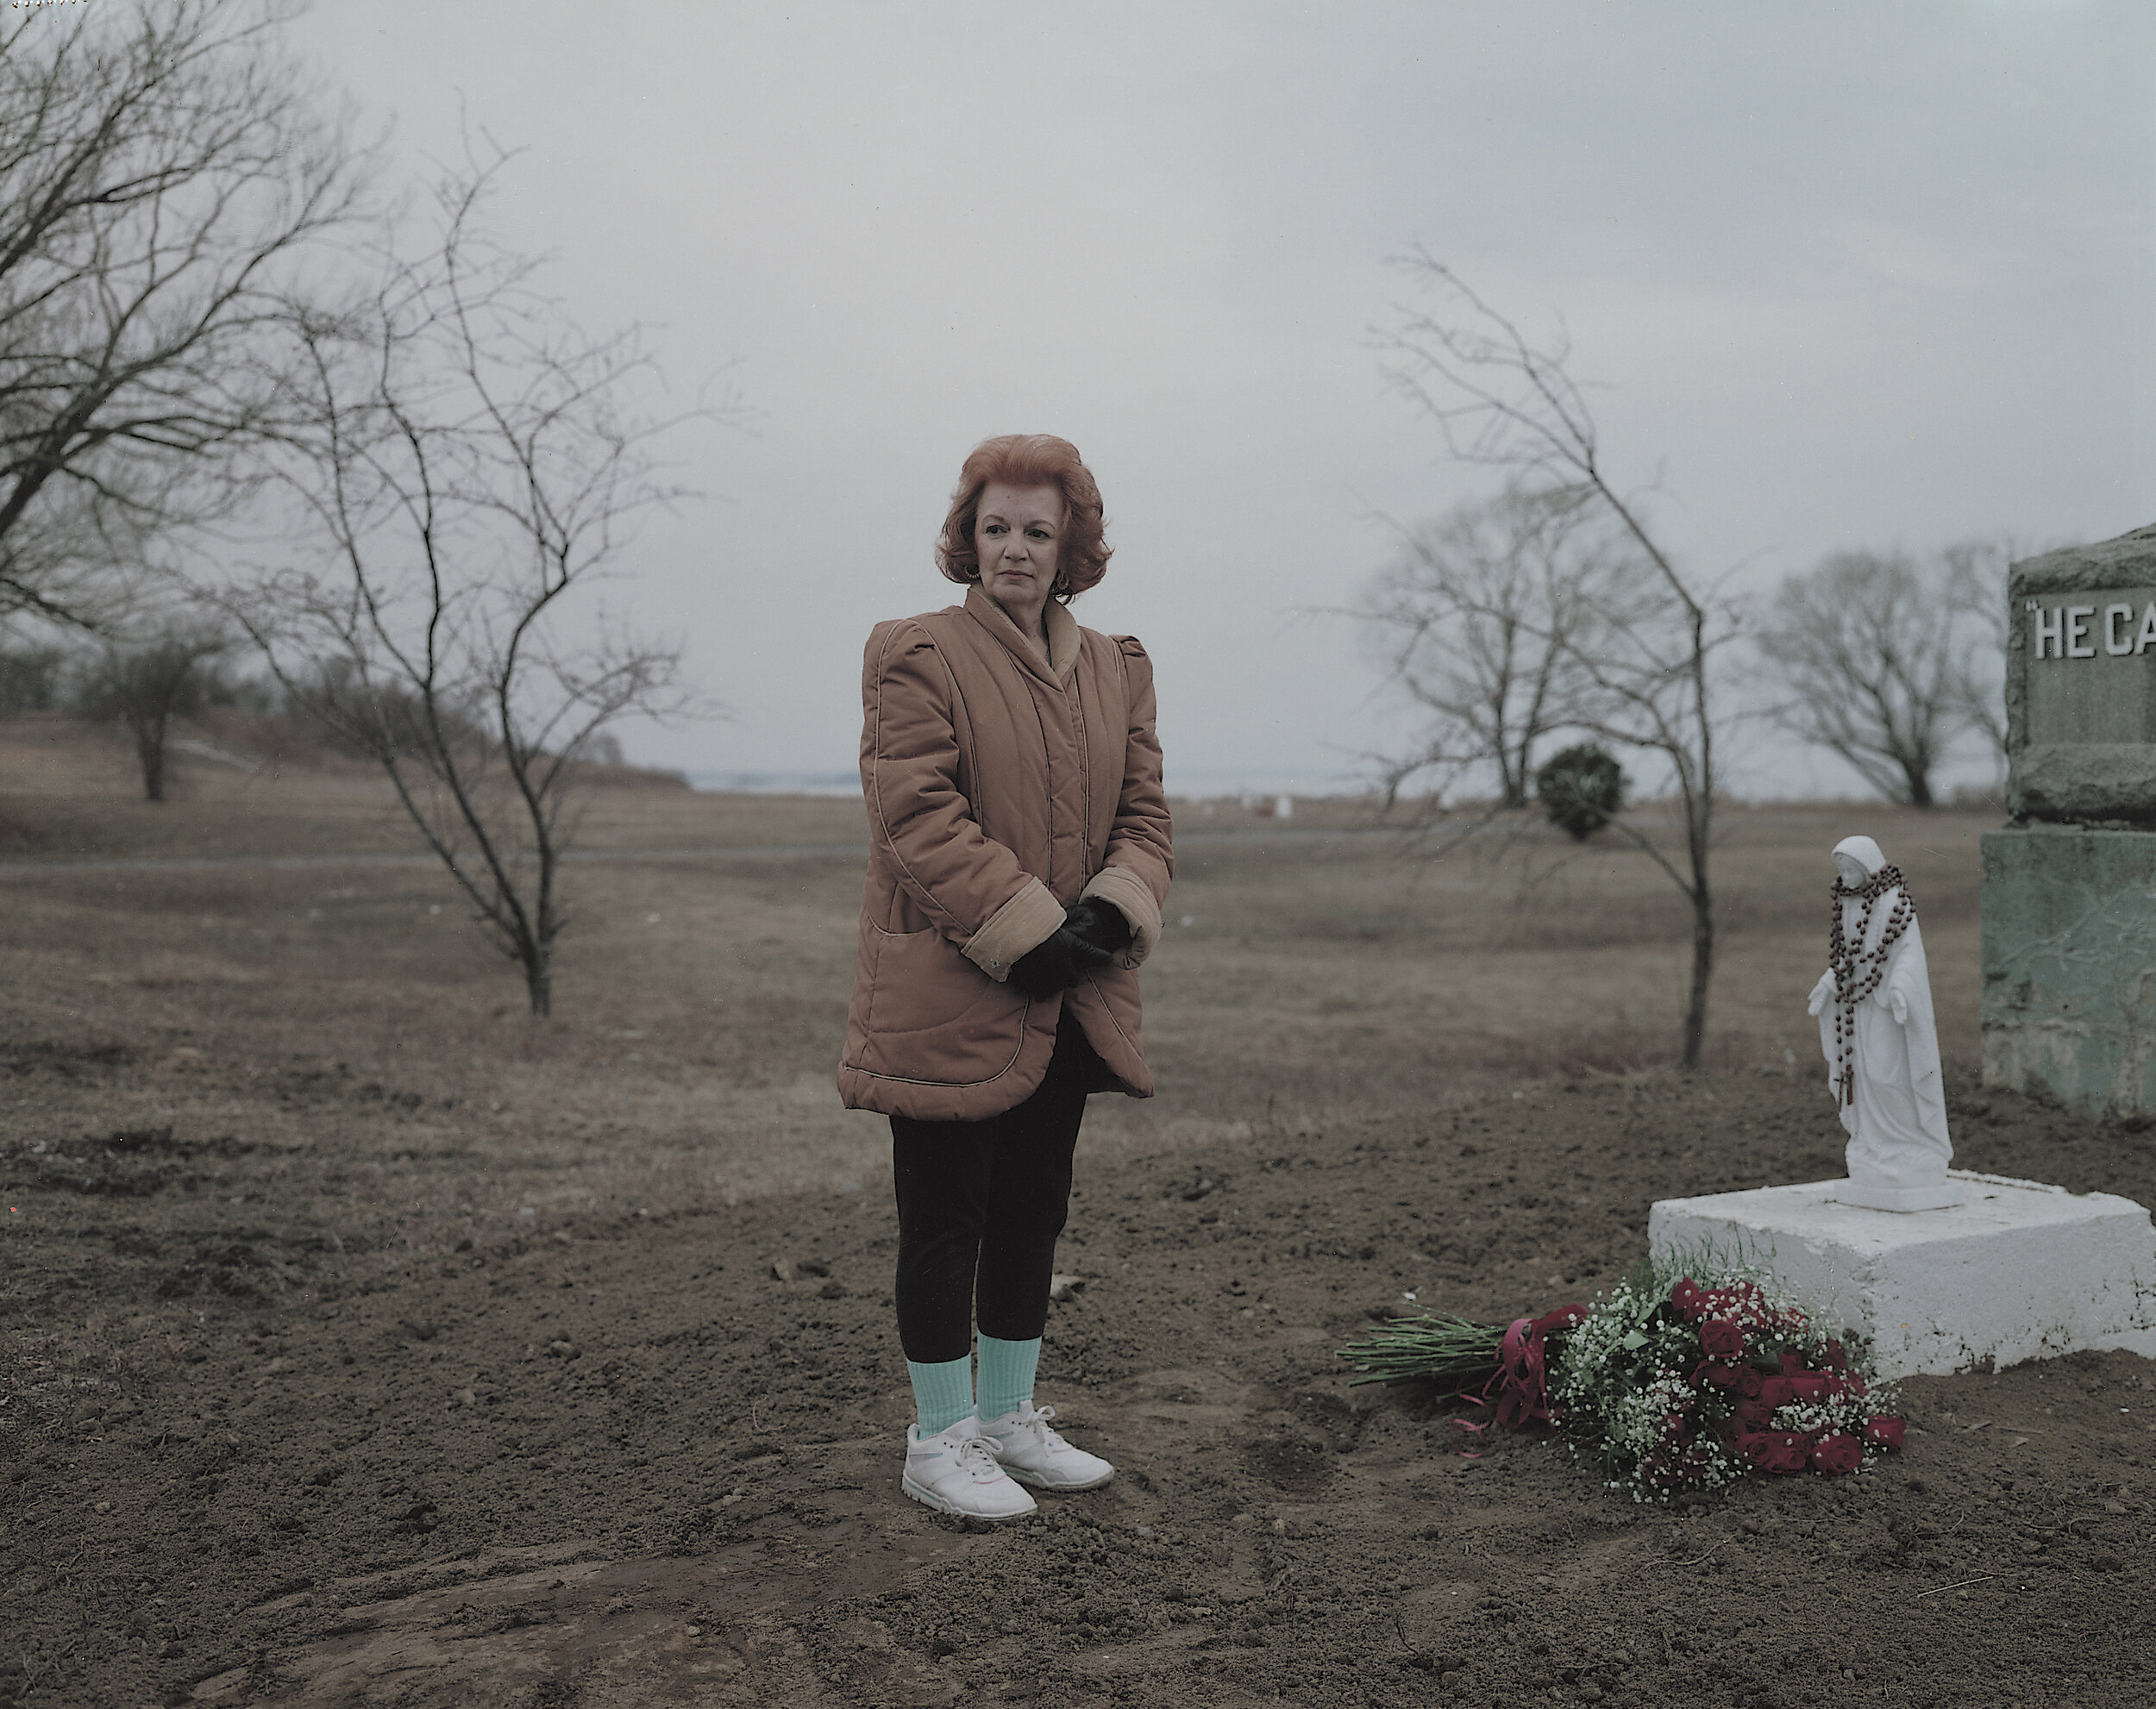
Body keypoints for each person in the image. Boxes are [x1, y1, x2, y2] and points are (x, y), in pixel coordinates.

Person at [837, 434, 1174, 1520]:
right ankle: (937, 1438)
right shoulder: (917, 654)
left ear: (1072, 542)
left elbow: (1146, 814)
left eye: (1038, 529)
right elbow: (915, 812)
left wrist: (1108, 912)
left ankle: (1009, 1417)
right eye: (996, 528)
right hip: (953, 988)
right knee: (944, 1220)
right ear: (966, 539)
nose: (1016, 548)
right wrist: (1026, 926)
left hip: (1074, 988)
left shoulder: (1118, 665)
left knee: (1033, 1214)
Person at [1805, 835, 1960, 1211]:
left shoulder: (1895, 902)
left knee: (1889, 1075)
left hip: (1888, 1006)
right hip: (1857, 1007)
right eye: (1840, 870)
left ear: (1868, 866)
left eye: (1850, 869)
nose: (1845, 876)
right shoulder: (1847, 904)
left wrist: (1901, 992)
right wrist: (1828, 984)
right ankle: (1874, 1144)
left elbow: (1907, 954)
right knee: (1862, 1073)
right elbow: (1846, 956)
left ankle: (1910, 1145)